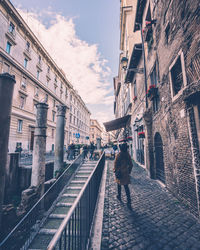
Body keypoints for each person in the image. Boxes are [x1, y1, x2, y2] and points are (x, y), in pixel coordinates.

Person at [113, 143, 133, 209]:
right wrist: (128, 171)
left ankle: (119, 195)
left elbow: (115, 164)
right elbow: (131, 164)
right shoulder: (127, 155)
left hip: (119, 172)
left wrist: (115, 170)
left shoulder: (118, 155)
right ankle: (129, 200)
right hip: (125, 173)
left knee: (118, 184)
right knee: (126, 186)